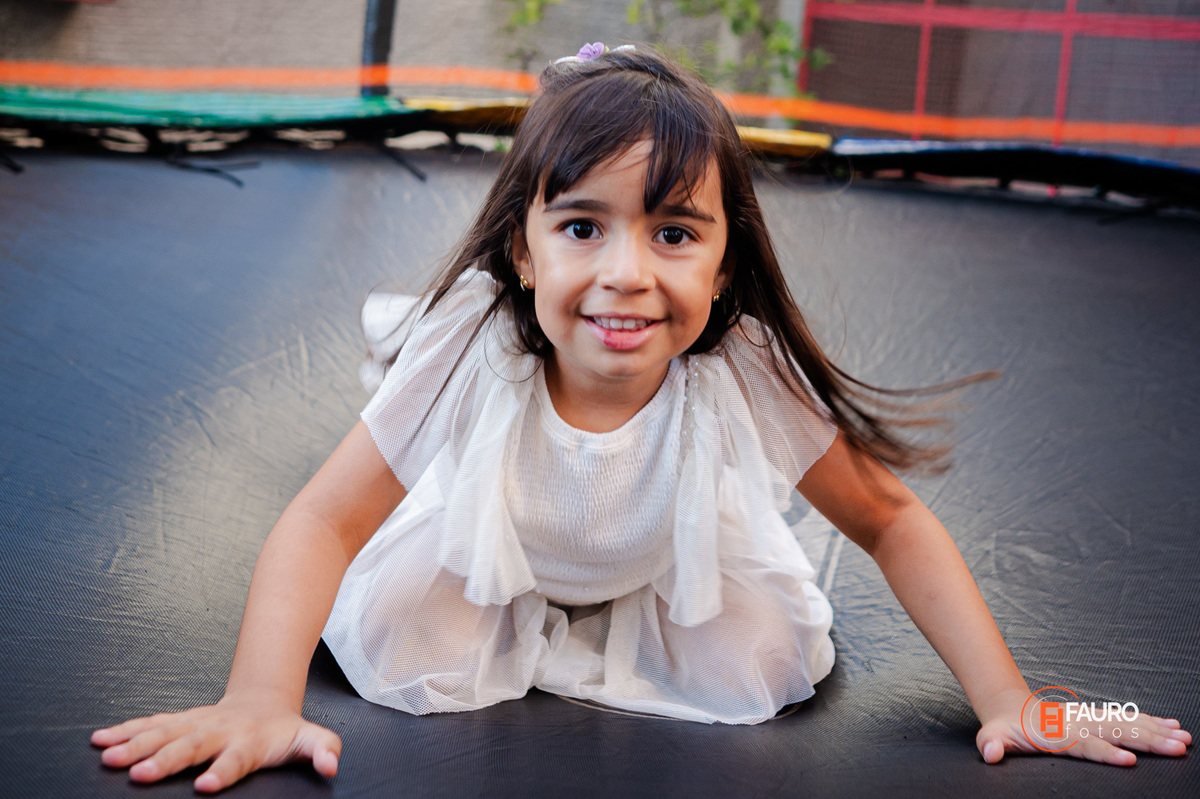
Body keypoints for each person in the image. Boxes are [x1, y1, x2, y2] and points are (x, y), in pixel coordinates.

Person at [91, 45, 1190, 793]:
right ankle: (414, 378)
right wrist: (258, 699)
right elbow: (326, 519)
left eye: (673, 233)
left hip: (671, 573)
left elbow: (891, 518)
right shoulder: (479, 339)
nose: (626, 273)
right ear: (524, 252)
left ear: (724, 262)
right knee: (404, 631)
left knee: (765, 654)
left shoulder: (738, 363)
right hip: (490, 555)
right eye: (583, 227)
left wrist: (1013, 699)